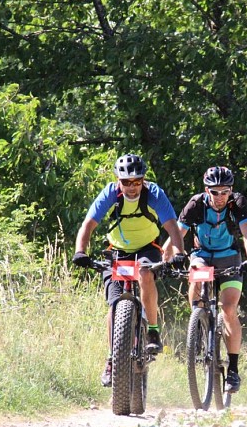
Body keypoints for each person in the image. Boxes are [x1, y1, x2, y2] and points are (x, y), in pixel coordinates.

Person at [72, 154, 186, 387]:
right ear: (118, 181)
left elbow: (172, 226)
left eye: (137, 181)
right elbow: (88, 224)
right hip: (117, 250)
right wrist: (80, 252)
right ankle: (112, 359)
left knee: (145, 273)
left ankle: (153, 330)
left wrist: (180, 253)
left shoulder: (154, 194)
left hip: (148, 247)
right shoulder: (110, 194)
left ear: (143, 180)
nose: (132, 187)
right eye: (127, 182)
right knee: (114, 306)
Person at [163, 166, 247, 393]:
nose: (220, 197)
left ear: (231, 190)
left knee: (228, 310)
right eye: (214, 192)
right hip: (202, 254)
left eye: (224, 192)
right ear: (207, 190)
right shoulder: (196, 204)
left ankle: (233, 370)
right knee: (196, 278)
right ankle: (198, 325)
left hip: (229, 257)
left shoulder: (237, 204)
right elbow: (176, 236)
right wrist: (165, 260)